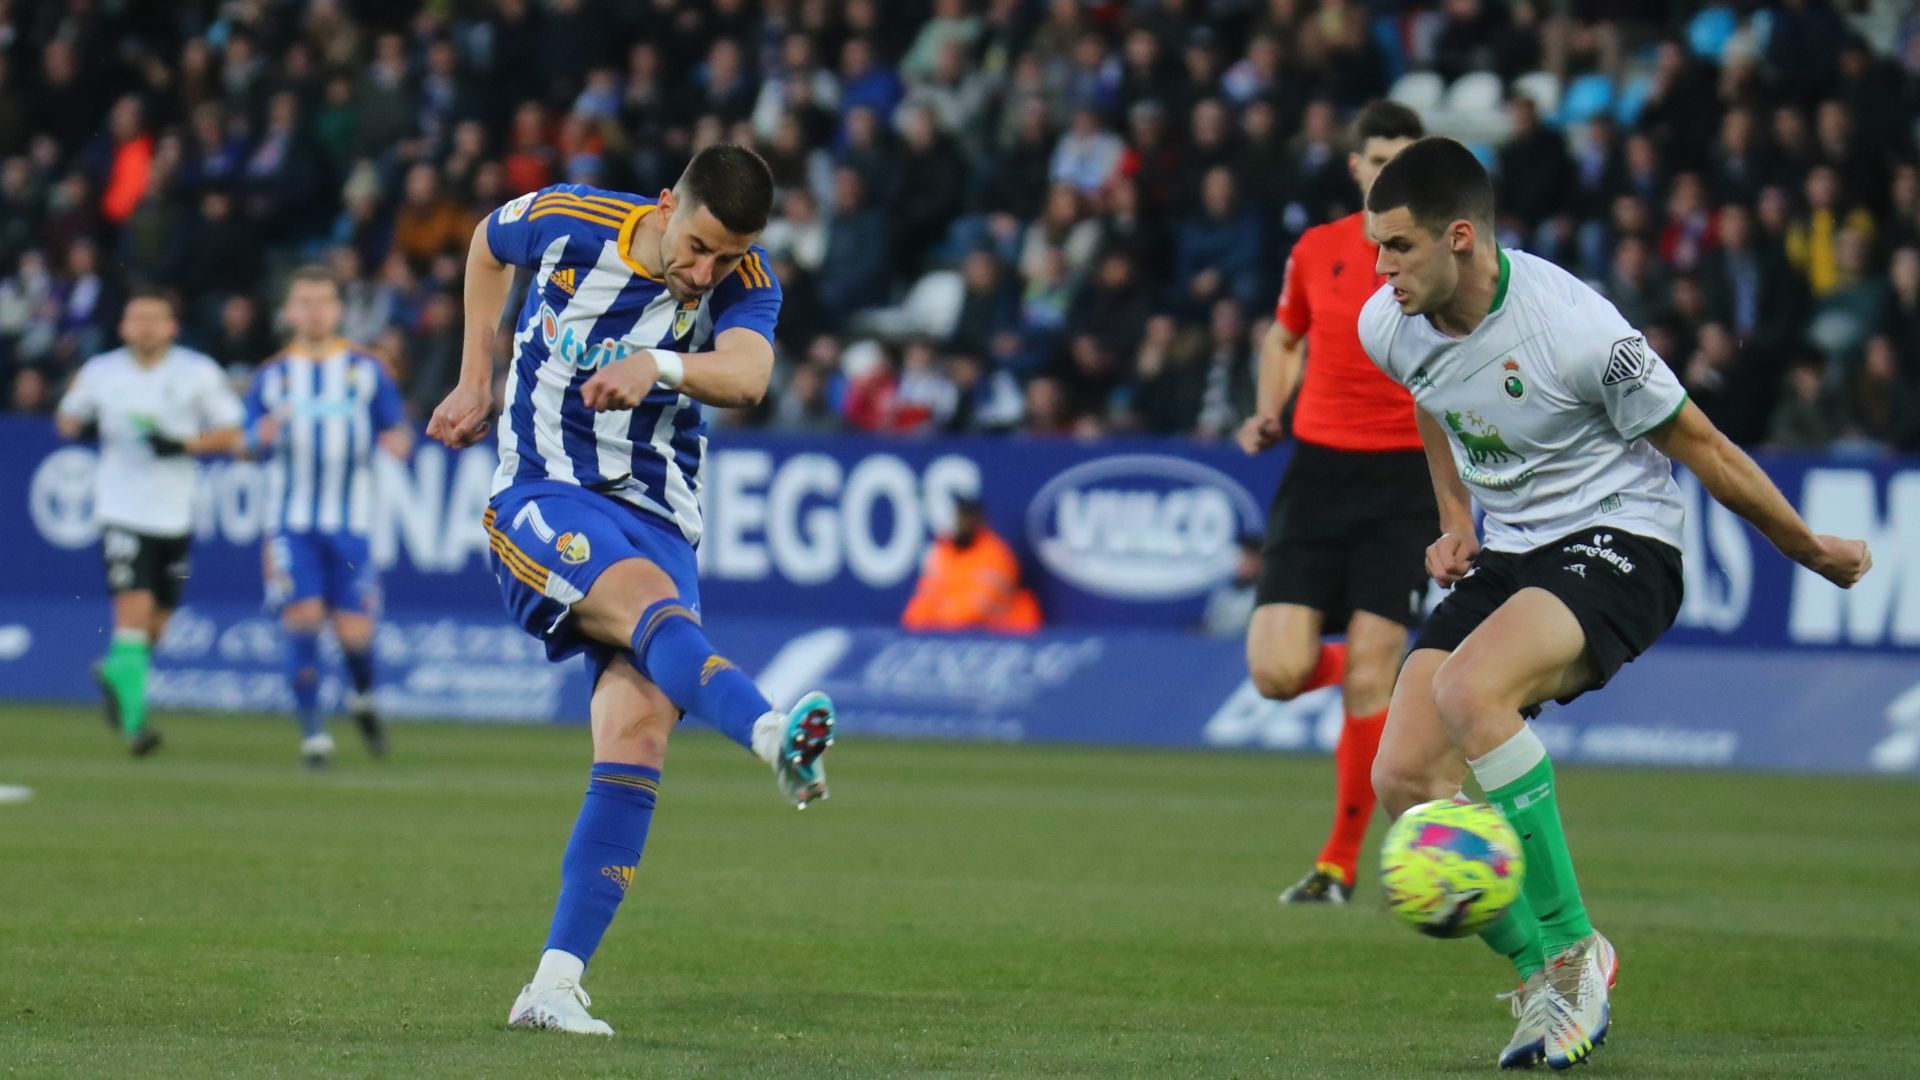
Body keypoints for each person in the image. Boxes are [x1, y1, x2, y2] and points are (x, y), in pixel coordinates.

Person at [1358, 137, 1872, 1070]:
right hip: (1512, 550)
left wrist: (1806, 547)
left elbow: (1705, 446)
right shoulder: (1389, 322)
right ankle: (1544, 973)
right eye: (1376, 247)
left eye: (1398, 246)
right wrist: (1454, 516)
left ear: (1460, 237)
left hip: (1622, 541)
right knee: (1402, 781)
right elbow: (1428, 392)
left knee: (1471, 691)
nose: (1381, 268)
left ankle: (1571, 955)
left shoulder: (1576, 330)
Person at [426, 146, 836, 1036]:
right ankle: (771, 735)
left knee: (638, 736)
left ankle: (552, 986)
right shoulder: (572, 220)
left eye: (728, 257)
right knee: (650, 604)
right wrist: (474, 374)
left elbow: (749, 376)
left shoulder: (745, 280)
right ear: (665, 205)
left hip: (660, 517)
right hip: (545, 493)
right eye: (698, 247)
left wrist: (661, 364)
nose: (706, 272)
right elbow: (487, 243)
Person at [1235, 101, 1428, 905]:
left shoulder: (1442, 256)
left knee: (1369, 682)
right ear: (1356, 166)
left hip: (1407, 479)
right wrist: (1267, 408)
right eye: (1378, 158)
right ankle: (1382, 673)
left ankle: (1338, 866)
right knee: (1276, 672)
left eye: (1404, 159)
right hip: (1317, 474)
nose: (1388, 172)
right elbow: (1284, 337)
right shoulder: (1316, 250)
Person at [55, 289, 244, 756]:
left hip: (175, 514)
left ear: (171, 327)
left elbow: (233, 431)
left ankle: (115, 672)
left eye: (154, 318)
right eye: (136, 317)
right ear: (123, 327)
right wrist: (78, 421)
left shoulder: (197, 371)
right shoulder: (101, 372)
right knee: (133, 614)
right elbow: (67, 419)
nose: (145, 326)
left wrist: (183, 444)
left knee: (156, 627)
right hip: (121, 511)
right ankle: (135, 726)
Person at [242, 267, 413, 768]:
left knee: (356, 634)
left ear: (337, 310)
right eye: (304, 302)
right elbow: (247, 439)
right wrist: (257, 438)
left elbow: (397, 428)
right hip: (290, 524)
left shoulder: (367, 369)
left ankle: (362, 696)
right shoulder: (271, 375)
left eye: (322, 301)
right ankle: (314, 737)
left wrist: (397, 441)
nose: (314, 311)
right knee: (303, 617)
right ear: (289, 312)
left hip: (351, 524)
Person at [901, 496, 1042, 634]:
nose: (961, 522)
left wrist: (942, 615)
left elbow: (979, 607)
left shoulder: (996, 554)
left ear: (978, 520)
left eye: (966, 517)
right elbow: (923, 600)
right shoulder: (942, 552)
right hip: (949, 635)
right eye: (959, 516)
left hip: (996, 637)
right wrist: (916, 627)